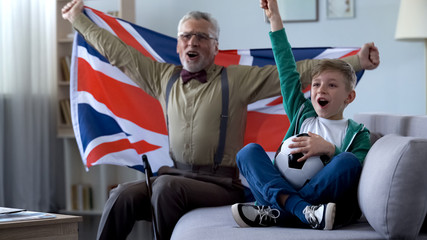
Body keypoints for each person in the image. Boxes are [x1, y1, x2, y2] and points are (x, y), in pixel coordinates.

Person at [61, 0, 380, 239]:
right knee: (120, 196)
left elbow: (292, 70)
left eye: (201, 37)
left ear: (215, 46)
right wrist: (78, 20)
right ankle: (296, 209)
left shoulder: (237, 79)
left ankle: (284, 209)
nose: (192, 42)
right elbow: (119, 53)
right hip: (175, 173)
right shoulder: (162, 77)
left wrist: (355, 62)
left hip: (219, 182)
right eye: (186, 36)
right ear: (178, 44)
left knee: (166, 190)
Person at [231, 0, 379, 231]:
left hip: (324, 200)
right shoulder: (303, 113)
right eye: (316, 84)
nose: (321, 89)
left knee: (347, 161)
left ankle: (278, 213)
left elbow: (356, 173)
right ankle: (302, 211)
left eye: (331, 85)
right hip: (296, 197)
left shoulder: (358, 134)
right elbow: (287, 70)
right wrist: (275, 20)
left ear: (349, 97)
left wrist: (329, 150)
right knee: (247, 152)